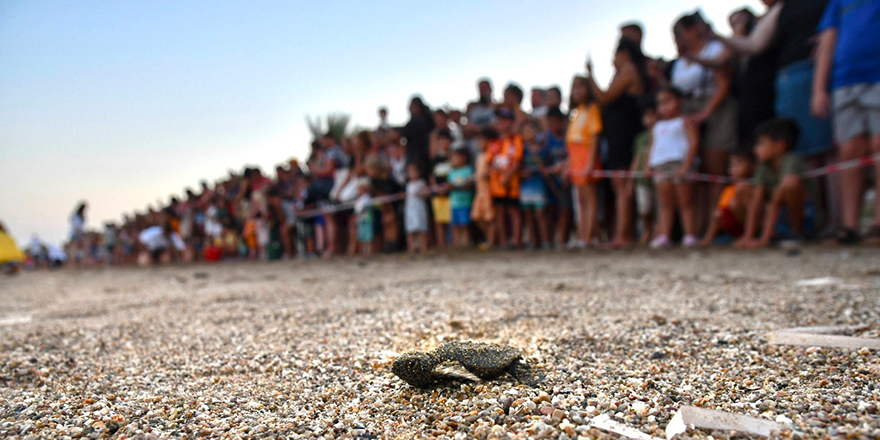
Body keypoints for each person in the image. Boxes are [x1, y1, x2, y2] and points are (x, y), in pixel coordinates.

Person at [812, 0, 880, 244]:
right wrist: (819, 88)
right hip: (844, 80)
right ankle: (849, 225)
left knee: (878, 145)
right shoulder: (837, 3)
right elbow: (827, 42)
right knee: (849, 149)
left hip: (877, 75)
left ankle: (878, 224)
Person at [672, 11, 738, 232]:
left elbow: (724, 82)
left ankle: (715, 228)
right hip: (689, 113)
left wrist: (705, 113)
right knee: (694, 175)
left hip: (716, 110)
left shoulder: (714, 49)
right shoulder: (681, 60)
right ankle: (695, 231)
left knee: (714, 171)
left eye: (681, 32)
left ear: (692, 29)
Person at [587, 38, 647, 247]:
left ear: (625, 54)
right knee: (619, 185)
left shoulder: (629, 69)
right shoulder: (623, 72)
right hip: (617, 135)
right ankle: (624, 234)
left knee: (622, 186)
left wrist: (590, 73)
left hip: (624, 134)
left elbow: (605, 97)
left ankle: (623, 236)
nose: (613, 59)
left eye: (615, 54)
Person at [737, 118, 811, 248]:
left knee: (790, 185)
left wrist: (763, 241)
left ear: (780, 145)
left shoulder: (792, 161)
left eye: (761, 143)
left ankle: (798, 232)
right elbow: (756, 200)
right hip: (777, 216)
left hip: (805, 215)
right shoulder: (763, 166)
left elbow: (776, 201)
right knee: (744, 189)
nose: (755, 150)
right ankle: (769, 234)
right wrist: (748, 237)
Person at [646, 87, 700, 249]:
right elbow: (652, 145)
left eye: (668, 101)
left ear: (679, 101)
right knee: (665, 203)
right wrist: (648, 165)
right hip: (661, 165)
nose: (663, 107)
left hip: (679, 163)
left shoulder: (685, 122)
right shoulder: (657, 126)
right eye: (660, 103)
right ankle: (664, 235)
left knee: (685, 202)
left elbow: (693, 142)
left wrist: (687, 165)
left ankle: (689, 235)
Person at [565, 76, 603, 248]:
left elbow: (594, 138)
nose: (577, 91)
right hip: (575, 159)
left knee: (589, 199)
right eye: (575, 88)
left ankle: (588, 237)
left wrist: (589, 163)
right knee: (580, 201)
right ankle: (581, 235)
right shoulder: (576, 113)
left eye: (581, 87)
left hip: (586, 158)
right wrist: (568, 164)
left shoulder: (592, 109)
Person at [700, 151, 757, 246]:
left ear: (752, 165)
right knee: (718, 213)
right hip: (734, 224)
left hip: (753, 223)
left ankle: (748, 235)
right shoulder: (729, 189)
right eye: (732, 165)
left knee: (734, 204)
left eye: (739, 163)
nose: (734, 169)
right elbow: (722, 210)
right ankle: (708, 239)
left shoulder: (754, 186)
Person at [487, 108, 524, 248]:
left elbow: (517, 160)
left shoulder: (516, 140)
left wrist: (507, 176)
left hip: (512, 183)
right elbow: (490, 162)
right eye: (499, 119)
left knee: (514, 211)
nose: (501, 122)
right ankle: (503, 241)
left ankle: (516, 240)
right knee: (499, 212)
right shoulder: (493, 142)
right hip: (496, 184)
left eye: (504, 119)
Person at [627, 98, 657, 245]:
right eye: (646, 115)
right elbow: (636, 159)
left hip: (657, 177)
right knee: (644, 207)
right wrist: (630, 181)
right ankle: (647, 231)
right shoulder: (640, 138)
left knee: (658, 207)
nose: (649, 119)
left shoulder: (660, 134)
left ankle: (658, 232)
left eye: (652, 115)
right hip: (641, 178)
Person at [519, 119, 552, 249]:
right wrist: (522, 174)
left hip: (539, 186)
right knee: (528, 215)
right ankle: (533, 241)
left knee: (541, 213)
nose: (528, 133)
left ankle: (545, 240)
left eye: (531, 130)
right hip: (526, 186)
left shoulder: (543, 149)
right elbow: (518, 167)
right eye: (525, 131)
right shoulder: (521, 150)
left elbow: (549, 166)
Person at [543, 107, 571, 248]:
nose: (554, 125)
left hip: (566, 180)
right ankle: (549, 240)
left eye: (556, 121)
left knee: (565, 210)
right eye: (551, 122)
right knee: (549, 210)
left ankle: (563, 240)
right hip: (549, 181)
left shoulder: (568, 137)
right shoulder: (545, 139)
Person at [471, 128, 497, 249]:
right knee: (476, 216)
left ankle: (491, 242)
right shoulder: (480, 156)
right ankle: (490, 238)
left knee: (489, 217)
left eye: (482, 140)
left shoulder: (491, 155)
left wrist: (487, 174)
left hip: (488, 190)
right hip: (479, 190)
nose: (479, 143)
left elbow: (494, 170)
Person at [430, 130, 454, 249]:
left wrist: (448, 187)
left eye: (446, 140)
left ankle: (454, 244)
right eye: (441, 140)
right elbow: (432, 176)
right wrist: (436, 189)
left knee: (452, 220)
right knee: (439, 220)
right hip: (438, 194)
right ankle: (441, 244)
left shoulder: (454, 158)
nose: (444, 143)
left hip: (451, 193)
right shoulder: (435, 159)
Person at [447, 148, 474, 247]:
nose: (454, 159)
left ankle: (465, 244)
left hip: (465, 202)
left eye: (457, 157)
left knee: (464, 225)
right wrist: (459, 185)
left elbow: (468, 185)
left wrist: (457, 186)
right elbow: (449, 185)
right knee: (455, 225)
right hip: (454, 203)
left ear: (464, 158)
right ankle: (457, 245)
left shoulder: (468, 170)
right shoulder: (451, 172)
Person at [404, 164, 430, 254]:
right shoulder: (408, 185)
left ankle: (423, 248)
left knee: (421, 228)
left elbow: (427, 194)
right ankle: (411, 248)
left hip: (419, 208)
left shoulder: (421, 183)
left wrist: (421, 194)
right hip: (410, 209)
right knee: (410, 229)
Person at [354, 179, 375, 256]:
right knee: (362, 236)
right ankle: (363, 251)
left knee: (368, 236)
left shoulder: (367, 197)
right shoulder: (359, 198)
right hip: (361, 220)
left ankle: (369, 251)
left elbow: (366, 207)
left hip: (367, 219)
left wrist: (360, 210)